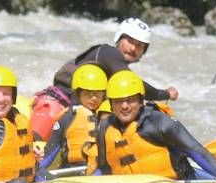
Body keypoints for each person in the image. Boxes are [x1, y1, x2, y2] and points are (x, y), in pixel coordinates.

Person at [89, 71, 216, 183]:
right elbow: (104, 168)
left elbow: (196, 151)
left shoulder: (160, 122)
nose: (125, 106)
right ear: (111, 104)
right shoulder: (105, 127)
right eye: (119, 101)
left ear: (140, 101)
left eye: (131, 100)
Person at [36, 17, 182, 137]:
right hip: (58, 104)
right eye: (130, 41)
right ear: (119, 38)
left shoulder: (118, 69)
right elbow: (137, 86)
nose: (133, 48)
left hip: (80, 111)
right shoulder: (107, 52)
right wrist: (166, 94)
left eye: (140, 45)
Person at [35, 63, 108, 177]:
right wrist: (35, 171)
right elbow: (50, 152)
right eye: (88, 94)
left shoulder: (109, 117)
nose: (93, 98)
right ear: (78, 94)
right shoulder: (67, 118)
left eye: (98, 94)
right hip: (72, 172)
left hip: (100, 172)